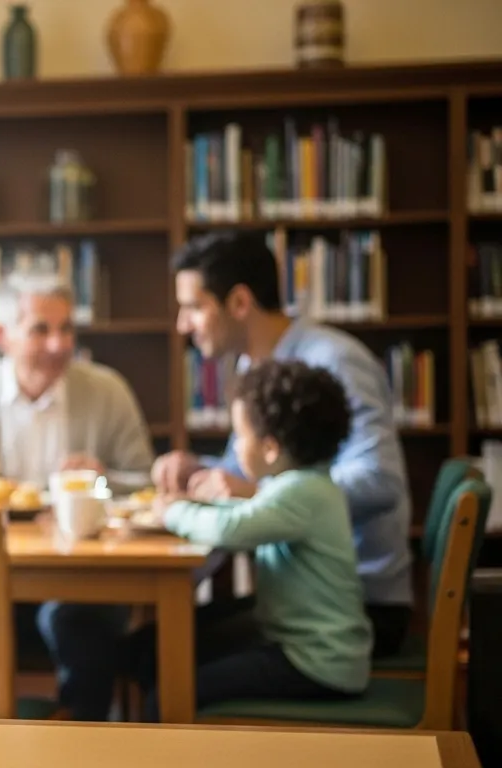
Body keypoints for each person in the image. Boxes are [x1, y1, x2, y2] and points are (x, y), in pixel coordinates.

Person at [0, 275, 155, 721]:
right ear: (3, 336)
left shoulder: (107, 391)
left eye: (67, 330)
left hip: (81, 575)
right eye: (41, 329)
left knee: (78, 617)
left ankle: (84, 743)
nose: (59, 344)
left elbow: (145, 483)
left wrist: (101, 480)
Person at [154, 231, 414, 657]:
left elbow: (380, 481)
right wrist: (197, 468)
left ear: (239, 303)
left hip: (352, 609)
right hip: (297, 598)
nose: (183, 325)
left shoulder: (332, 361)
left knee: (167, 658)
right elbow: (253, 472)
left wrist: (260, 495)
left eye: (194, 307)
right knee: (156, 648)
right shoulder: (251, 365)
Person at [129, 359, 372, 720]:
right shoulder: (307, 484)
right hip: (311, 651)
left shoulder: (301, 492)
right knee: (165, 654)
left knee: (169, 693)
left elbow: (233, 529)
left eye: (240, 436)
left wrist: (173, 512)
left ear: (271, 448)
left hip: (316, 663)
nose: (236, 447)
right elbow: (247, 515)